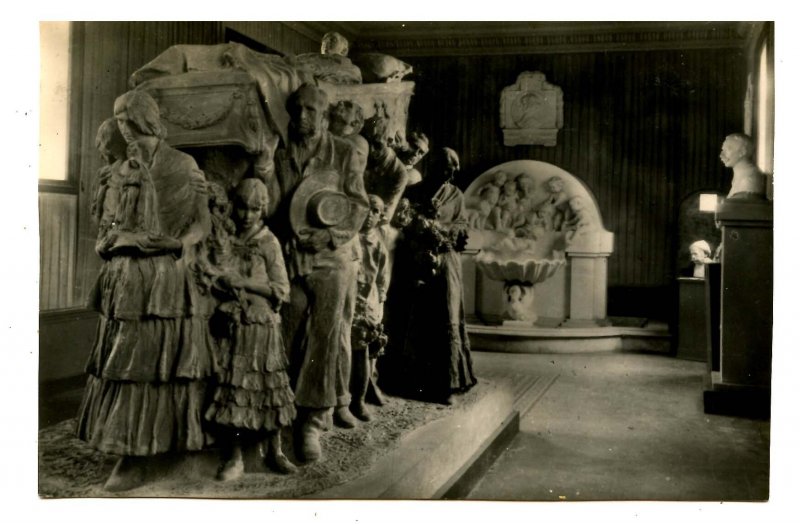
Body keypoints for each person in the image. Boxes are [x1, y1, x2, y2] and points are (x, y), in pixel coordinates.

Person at [76, 90, 212, 492]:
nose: (123, 126)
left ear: (146, 119)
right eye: (118, 119)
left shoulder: (183, 165)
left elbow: (201, 225)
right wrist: (108, 243)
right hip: (125, 277)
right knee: (125, 366)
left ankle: (157, 447)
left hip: (166, 276)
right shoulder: (119, 169)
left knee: (162, 366)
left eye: (128, 118)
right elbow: (105, 227)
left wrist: (177, 244)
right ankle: (128, 450)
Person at [269, 83, 369, 463]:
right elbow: (272, 205)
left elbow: (358, 206)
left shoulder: (343, 153)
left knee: (325, 337)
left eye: (311, 111)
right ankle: (280, 413)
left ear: (325, 117)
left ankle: (313, 422)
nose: (302, 117)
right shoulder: (280, 152)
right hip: (288, 257)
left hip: (331, 257)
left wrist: (328, 237)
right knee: (286, 327)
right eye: (297, 110)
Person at [204, 179, 297, 479]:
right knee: (234, 390)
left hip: (263, 326)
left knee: (269, 389)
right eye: (242, 208)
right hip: (235, 326)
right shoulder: (226, 238)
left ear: (262, 210)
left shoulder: (269, 242)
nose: (246, 215)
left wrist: (245, 283)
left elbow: (282, 289)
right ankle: (234, 457)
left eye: (254, 210)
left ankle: (275, 451)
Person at [382, 147, 477, 405]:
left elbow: (462, 224)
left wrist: (444, 232)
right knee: (416, 316)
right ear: (433, 166)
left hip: (446, 260)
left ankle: (447, 384)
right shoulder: (413, 191)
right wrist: (419, 229)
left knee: (446, 313)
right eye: (446, 166)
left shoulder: (456, 195)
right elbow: (401, 220)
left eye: (453, 167)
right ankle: (412, 382)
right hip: (416, 259)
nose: (450, 171)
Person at [351, 195, 391, 420]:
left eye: (375, 211)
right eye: (367, 209)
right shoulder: (350, 238)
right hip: (348, 300)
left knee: (363, 351)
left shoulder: (378, 244)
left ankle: (359, 399)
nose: (370, 215)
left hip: (367, 303)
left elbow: (382, 278)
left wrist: (378, 303)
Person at [719, 133, 767, 199]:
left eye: (728, 149)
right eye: (723, 150)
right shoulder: (741, 175)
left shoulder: (750, 179)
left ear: (742, 151)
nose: (722, 155)